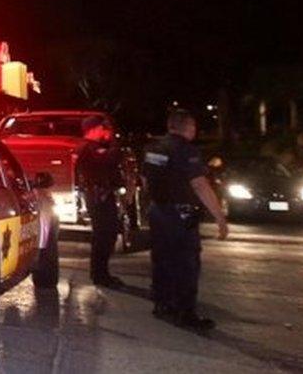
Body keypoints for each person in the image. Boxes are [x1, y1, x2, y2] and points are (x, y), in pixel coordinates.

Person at [143, 109, 228, 331]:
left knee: (162, 260)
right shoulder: (185, 150)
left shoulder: (152, 148)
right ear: (188, 127)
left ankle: (162, 304)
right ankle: (186, 312)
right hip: (180, 215)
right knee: (186, 264)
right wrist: (220, 217)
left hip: (157, 211)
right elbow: (200, 185)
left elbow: (145, 179)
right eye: (193, 127)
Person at [77, 115, 125, 289]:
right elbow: (109, 161)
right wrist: (114, 145)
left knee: (107, 235)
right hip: (98, 197)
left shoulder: (94, 148)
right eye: (103, 129)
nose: (106, 132)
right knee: (103, 236)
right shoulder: (89, 148)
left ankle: (101, 272)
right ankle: (100, 274)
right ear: (95, 129)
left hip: (102, 195)